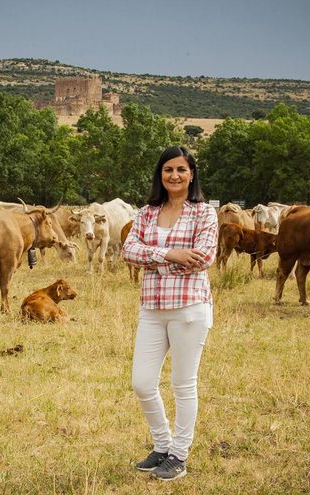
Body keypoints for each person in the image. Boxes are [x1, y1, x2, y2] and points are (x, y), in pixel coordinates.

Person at [121, 145, 218, 481]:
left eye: (181, 170)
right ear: (160, 175)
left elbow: (203, 258)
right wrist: (172, 255)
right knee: (142, 382)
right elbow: (128, 250)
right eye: (168, 170)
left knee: (183, 384)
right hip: (152, 308)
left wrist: (154, 258)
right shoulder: (147, 212)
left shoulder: (204, 213)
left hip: (189, 308)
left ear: (192, 175)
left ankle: (179, 454)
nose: (174, 176)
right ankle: (162, 444)